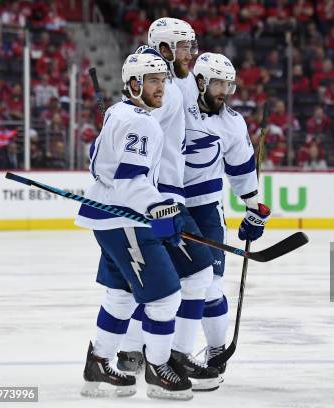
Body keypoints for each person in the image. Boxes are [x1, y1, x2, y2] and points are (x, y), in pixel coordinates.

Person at [75, 52, 193, 400]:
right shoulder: (140, 122)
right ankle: (158, 371)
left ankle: (97, 365)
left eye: (163, 80)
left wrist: (155, 207)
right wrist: (161, 208)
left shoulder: (120, 113)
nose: (161, 87)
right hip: (124, 220)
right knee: (166, 297)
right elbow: (129, 182)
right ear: (133, 84)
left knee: (121, 295)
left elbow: (101, 166)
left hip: (113, 218)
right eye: (153, 80)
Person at [116, 18, 221, 392]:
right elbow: (139, 139)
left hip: (150, 198)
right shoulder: (166, 88)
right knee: (195, 276)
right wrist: (156, 204)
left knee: (131, 283)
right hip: (159, 199)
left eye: (192, 46)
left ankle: (128, 353)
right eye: (183, 47)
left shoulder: (163, 79)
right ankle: (172, 357)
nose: (191, 54)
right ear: (163, 48)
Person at [179, 52, 270, 377]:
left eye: (228, 84)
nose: (224, 90)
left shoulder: (232, 123)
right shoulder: (176, 105)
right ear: (200, 81)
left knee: (209, 286)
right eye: (218, 83)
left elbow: (242, 171)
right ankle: (139, 349)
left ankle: (217, 350)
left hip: (205, 208)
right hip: (162, 203)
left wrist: (253, 209)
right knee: (156, 285)